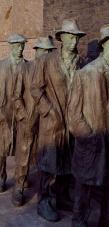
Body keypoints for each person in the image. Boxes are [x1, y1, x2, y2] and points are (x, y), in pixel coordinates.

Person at [68, 23, 109, 227]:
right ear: (104, 45)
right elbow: (74, 115)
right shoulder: (86, 73)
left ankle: (99, 219)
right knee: (84, 183)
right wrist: (89, 137)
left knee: (103, 185)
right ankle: (78, 219)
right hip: (91, 140)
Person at [31, 19, 86, 222]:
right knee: (49, 163)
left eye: (76, 37)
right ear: (61, 38)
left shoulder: (80, 62)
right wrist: (49, 111)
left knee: (67, 161)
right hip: (52, 122)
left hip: (71, 121)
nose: (73, 41)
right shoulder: (46, 61)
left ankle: (61, 196)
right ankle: (43, 201)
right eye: (70, 37)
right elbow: (35, 88)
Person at [12, 36, 56, 206]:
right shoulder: (25, 68)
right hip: (28, 119)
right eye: (43, 51)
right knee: (24, 153)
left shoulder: (51, 71)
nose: (46, 54)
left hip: (45, 120)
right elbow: (16, 96)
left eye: (49, 51)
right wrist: (23, 116)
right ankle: (19, 187)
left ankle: (46, 189)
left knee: (44, 153)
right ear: (36, 51)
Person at [0, 34, 27, 193]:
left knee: (21, 149)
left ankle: (20, 181)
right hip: (3, 113)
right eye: (16, 46)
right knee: (1, 148)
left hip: (21, 114)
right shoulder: (1, 66)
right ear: (11, 46)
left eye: (22, 46)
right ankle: (1, 176)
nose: (20, 49)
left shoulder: (28, 66)